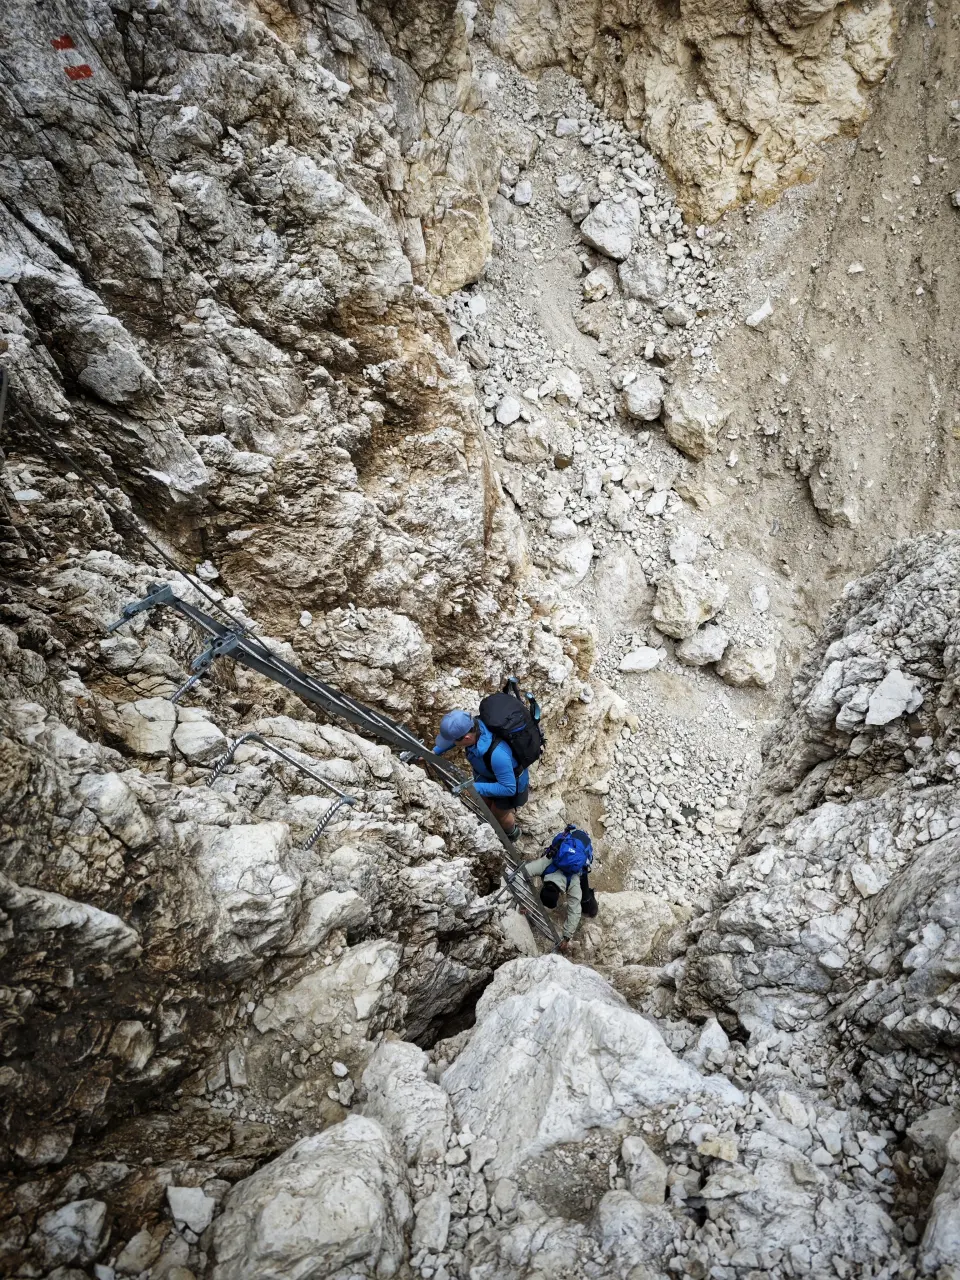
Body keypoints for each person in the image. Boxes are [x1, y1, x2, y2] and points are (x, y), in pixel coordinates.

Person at [432, 708, 529, 841]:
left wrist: (473, 788)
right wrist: (434, 752)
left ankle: (512, 834)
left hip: (511, 784)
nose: (454, 744)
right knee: (485, 803)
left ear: (466, 738)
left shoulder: (498, 755)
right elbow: (454, 739)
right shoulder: (474, 726)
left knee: (499, 814)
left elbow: (508, 788)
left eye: (455, 741)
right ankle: (492, 825)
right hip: (488, 775)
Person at [521, 825, 598, 948]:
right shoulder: (549, 865)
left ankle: (590, 903)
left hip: (578, 858)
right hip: (573, 841)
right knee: (579, 899)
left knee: (585, 901)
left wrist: (523, 899)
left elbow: (576, 910)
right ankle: (589, 903)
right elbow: (574, 911)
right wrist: (566, 937)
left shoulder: (571, 880)